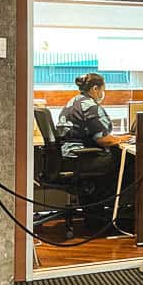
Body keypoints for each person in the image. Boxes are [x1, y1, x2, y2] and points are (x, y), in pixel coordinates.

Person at [55, 73, 132, 218]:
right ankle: (113, 210)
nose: (103, 93)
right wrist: (121, 139)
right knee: (129, 161)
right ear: (95, 89)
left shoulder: (74, 101)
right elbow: (103, 140)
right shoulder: (90, 106)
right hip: (80, 158)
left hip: (68, 156)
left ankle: (95, 205)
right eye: (103, 89)